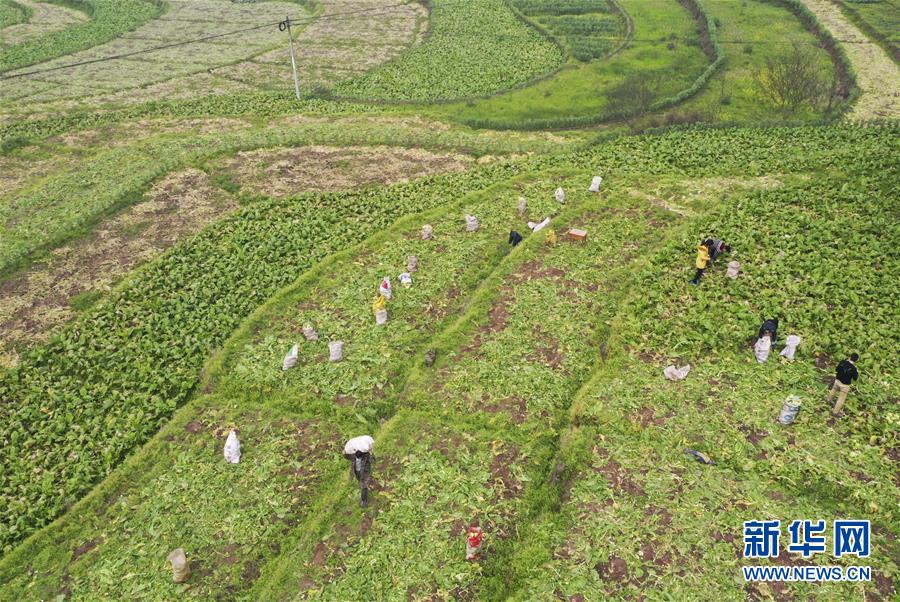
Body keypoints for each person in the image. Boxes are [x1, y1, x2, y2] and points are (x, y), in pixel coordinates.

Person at [343, 436, 375, 507]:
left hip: (359, 472)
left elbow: (345, 455)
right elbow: (372, 459)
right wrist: (371, 452)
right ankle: (364, 500)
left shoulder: (354, 458)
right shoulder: (366, 456)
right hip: (361, 472)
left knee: (363, 484)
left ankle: (364, 501)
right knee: (364, 483)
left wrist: (345, 452)